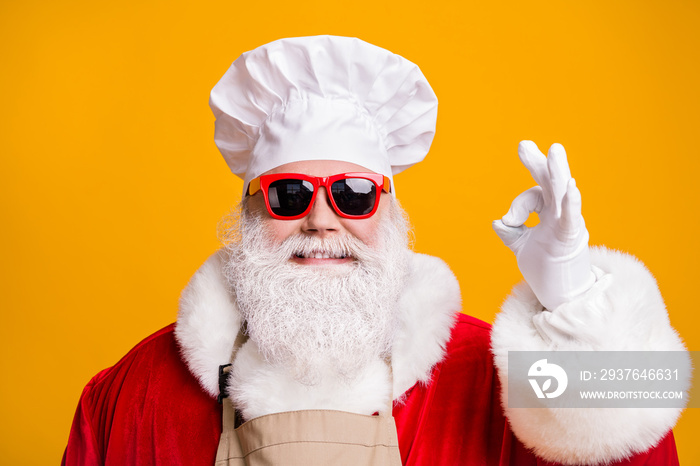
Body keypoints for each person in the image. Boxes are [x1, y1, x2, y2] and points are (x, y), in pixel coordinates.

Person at [62, 35, 687, 465]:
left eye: (355, 194)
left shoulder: (484, 371)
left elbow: (641, 451)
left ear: (389, 212)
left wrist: (575, 305)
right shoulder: (135, 393)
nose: (321, 221)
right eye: (287, 193)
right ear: (249, 214)